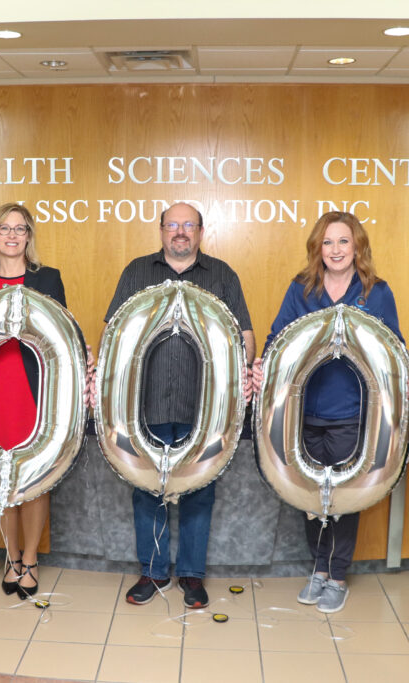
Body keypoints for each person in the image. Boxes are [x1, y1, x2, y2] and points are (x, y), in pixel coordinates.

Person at [250, 211, 409, 614]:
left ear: (357, 246)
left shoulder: (376, 291)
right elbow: (278, 339)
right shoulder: (302, 288)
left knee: (341, 497)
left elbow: (393, 347)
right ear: (317, 248)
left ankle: (337, 575)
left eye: (344, 241)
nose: (336, 249)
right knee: (311, 495)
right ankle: (318, 571)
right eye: (328, 242)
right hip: (304, 414)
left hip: (353, 413)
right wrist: (262, 366)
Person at [105, 201, 255, 609]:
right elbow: (113, 330)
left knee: (199, 491)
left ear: (201, 232)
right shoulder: (137, 272)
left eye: (189, 225)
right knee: (145, 488)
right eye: (173, 225)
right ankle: (153, 573)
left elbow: (244, 333)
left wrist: (242, 374)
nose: (181, 232)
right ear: (161, 231)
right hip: (144, 405)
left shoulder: (222, 275)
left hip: (203, 407)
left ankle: (191, 575)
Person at [0, 202, 79, 600]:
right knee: (2, 479)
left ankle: (30, 559)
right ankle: (10, 558)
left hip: (34, 391)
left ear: (29, 237)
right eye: (4, 228)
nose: (12, 236)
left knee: (35, 478)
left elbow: (64, 332)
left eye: (20, 229)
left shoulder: (48, 278)